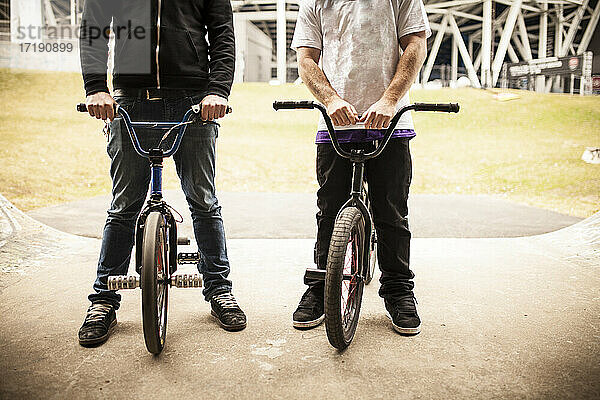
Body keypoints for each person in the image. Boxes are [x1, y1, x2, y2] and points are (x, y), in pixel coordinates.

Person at [78, 0, 246, 347]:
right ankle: (103, 302)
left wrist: (218, 91)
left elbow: (223, 36)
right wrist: (96, 86)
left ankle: (219, 291)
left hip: (193, 101)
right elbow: (94, 26)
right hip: (131, 98)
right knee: (123, 205)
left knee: (203, 200)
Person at [290, 0, 431, 335]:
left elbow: (415, 44)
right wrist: (331, 100)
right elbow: (306, 59)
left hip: (390, 121)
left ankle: (398, 289)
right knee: (329, 210)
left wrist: (389, 100)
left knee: (391, 212)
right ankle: (323, 283)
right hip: (335, 122)